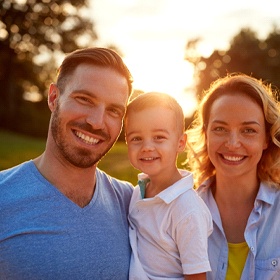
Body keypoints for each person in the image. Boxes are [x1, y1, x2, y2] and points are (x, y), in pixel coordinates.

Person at [0, 47, 134, 279]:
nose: (96, 122)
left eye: (114, 111)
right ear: (54, 98)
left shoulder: (131, 203)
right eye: (84, 99)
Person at [186, 73, 280, 279]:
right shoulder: (182, 211)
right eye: (220, 128)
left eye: (248, 130)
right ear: (206, 134)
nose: (232, 143)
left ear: (266, 139)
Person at [124, 92, 213, 280]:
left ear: (180, 143)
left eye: (159, 137)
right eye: (136, 138)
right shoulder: (136, 192)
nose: (147, 147)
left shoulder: (187, 210)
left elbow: (196, 276)